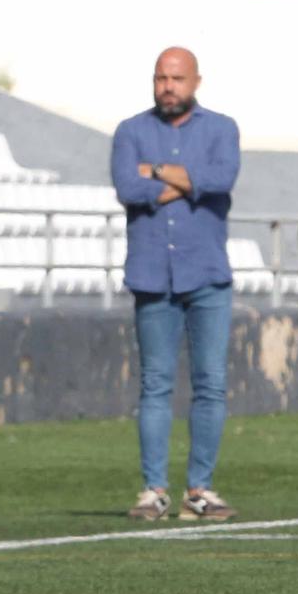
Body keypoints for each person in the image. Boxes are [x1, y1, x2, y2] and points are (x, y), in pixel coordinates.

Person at [111, 46, 240, 523]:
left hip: (207, 274)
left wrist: (157, 171)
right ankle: (154, 491)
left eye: (177, 78)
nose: (168, 86)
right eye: (161, 78)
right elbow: (128, 188)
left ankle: (200, 490)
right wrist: (188, 181)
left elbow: (221, 179)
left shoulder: (222, 129)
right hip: (151, 275)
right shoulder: (130, 131)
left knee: (210, 384)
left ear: (196, 82)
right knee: (155, 384)